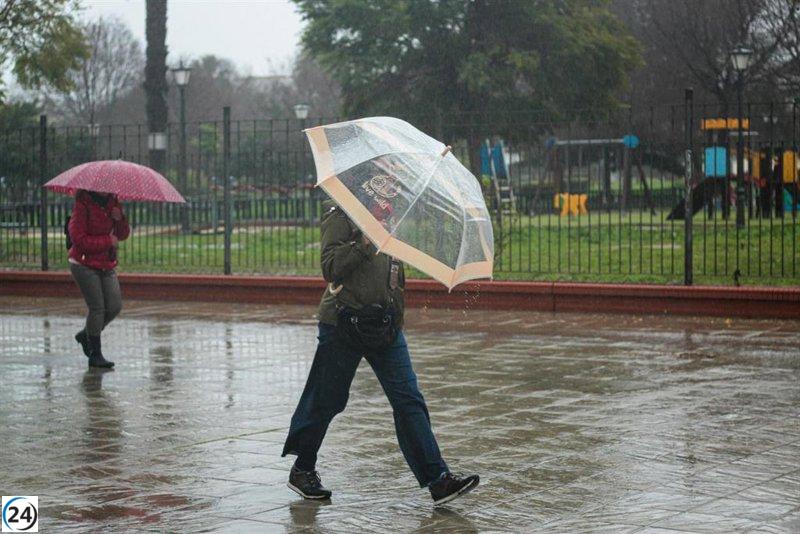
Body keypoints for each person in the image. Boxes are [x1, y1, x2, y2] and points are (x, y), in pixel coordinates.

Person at [282, 197, 479, 506]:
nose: (388, 181)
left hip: (385, 326)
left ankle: (438, 480)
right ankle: (303, 468)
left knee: (408, 398)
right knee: (327, 399)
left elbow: (393, 271)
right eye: (382, 173)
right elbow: (331, 267)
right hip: (343, 322)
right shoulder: (341, 212)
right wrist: (365, 239)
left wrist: (396, 312)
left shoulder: (393, 215)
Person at [68, 189, 130, 368]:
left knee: (114, 306)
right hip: (83, 263)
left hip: (106, 263)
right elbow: (77, 238)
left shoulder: (113, 201)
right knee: (98, 308)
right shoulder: (82, 203)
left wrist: (120, 219)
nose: (107, 189)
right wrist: (107, 241)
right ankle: (95, 355)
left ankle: (85, 334)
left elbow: (122, 235)